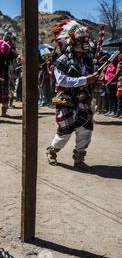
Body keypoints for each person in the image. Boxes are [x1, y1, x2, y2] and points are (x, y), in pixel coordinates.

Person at [46, 20, 99, 171]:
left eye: (86, 40)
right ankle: (52, 150)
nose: (85, 43)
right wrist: (85, 80)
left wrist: (96, 80)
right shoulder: (62, 60)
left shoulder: (88, 60)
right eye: (82, 40)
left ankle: (79, 158)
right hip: (66, 99)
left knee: (86, 128)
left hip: (84, 99)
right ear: (74, 41)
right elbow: (62, 80)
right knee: (65, 130)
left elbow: (92, 78)